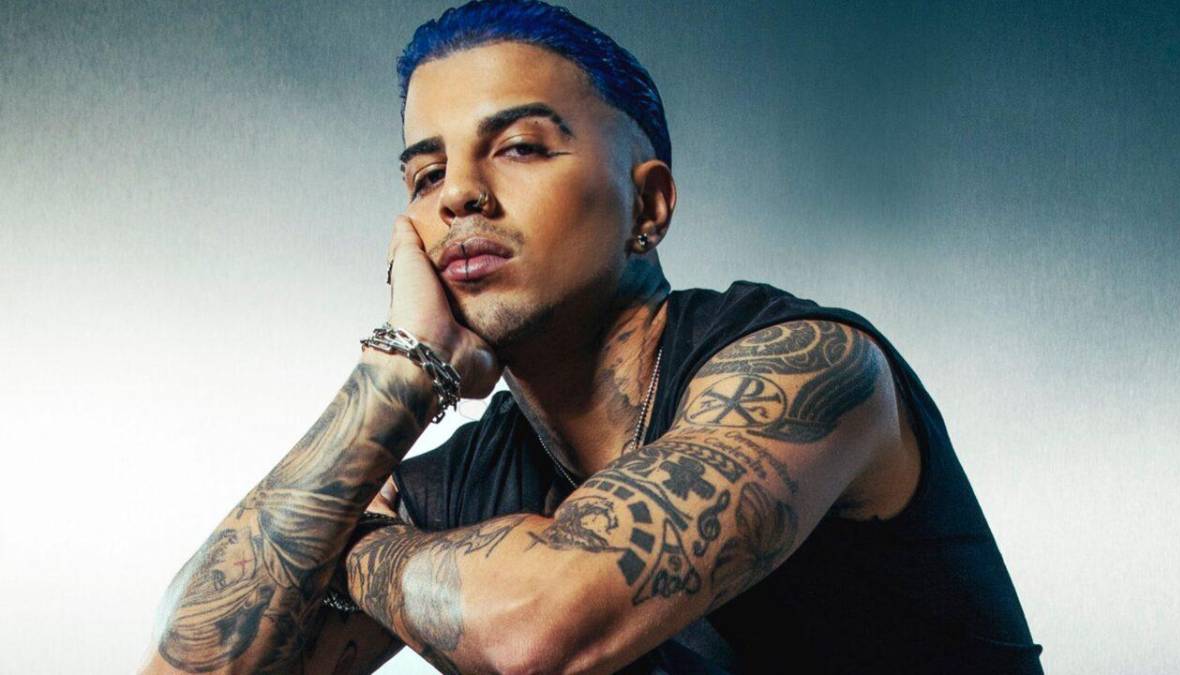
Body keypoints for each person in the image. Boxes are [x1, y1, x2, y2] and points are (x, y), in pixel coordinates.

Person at [141, 1, 1043, 673]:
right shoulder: (468, 479)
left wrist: (349, 551)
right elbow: (189, 663)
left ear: (647, 205)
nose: (459, 195)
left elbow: (542, 628)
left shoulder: (808, 370)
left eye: (521, 147)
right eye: (426, 173)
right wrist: (398, 374)